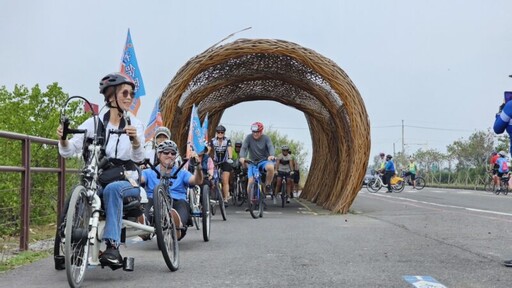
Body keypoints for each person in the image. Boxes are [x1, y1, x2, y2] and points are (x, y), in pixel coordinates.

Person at [56, 72, 145, 268]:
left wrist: (136, 141)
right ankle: (73, 245)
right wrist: (63, 138)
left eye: (131, 94)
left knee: (113, 190)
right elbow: (69, 151)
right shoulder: (93, 124)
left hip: (127, 180)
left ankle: (112, 246)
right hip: (100, 179)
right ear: (111, 96)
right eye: (125, 93)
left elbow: (139, 158)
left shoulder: (135, 124)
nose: (129, 97)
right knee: (83, 193)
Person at [141, 140, 203, 241]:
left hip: (176, 201)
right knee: (147, 202)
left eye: (173, 153)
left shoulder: (182, 173)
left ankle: (177, 227)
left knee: (182, 203)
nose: (170, 155)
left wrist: (198, 167)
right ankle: (144, 227)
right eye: (166, 152)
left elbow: (197, 180)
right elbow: (140, 179)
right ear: (159, 154)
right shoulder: (148, 172)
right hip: (154, 202)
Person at [239, 121, 276, 198]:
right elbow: (244, 148)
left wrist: (271, 155)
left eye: (257, 132)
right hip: (252, 162)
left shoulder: (266, 138)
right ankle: (250, 202)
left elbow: (270, 147)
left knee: (271, 167)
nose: (255, 134)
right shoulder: (248, 137)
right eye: (253, 132)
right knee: (251, 181)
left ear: (261, 131)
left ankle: (268, 185)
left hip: (264, 161)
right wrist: (242, 157)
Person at [209, 125, 233, 206]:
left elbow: (229, 149)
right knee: (211, 177)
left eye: (221, 132)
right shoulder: (213, 140)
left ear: (224, 133)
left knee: (225, 180)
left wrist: (230, 157)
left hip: (225, 161)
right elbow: (208, 149)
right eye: (218, 132)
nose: (220, 134)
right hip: (216, 161)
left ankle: (225, 199)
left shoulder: (227, 140)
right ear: (216, 133)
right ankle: (211, 195)